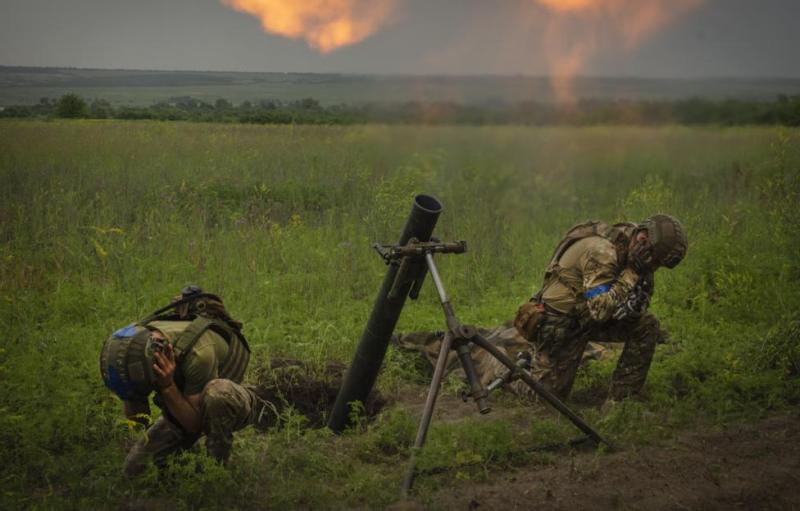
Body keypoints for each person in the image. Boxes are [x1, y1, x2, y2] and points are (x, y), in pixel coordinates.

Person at [396, 214, 687, 403]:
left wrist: (637, 290)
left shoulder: (631, 244)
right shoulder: (604, 252)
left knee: (647, 325)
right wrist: (631, 277)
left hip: (585, 316)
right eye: (652, 259)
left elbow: (623, 308)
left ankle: (622, 402)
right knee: (543, 399)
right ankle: (501, 362)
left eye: (658, 264)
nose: (652, 267)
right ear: (643, 239)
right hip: (560, 324)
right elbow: (599, 309)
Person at [100, 288, 269, 476]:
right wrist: (130, 393)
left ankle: (216, 472)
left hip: (230, 397)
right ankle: (187, 454)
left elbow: (195, 424)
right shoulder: (133, 348)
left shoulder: (199, 353)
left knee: (217, 395)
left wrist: (167, 386)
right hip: (187, 398)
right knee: (134, 471)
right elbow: (139, 421)